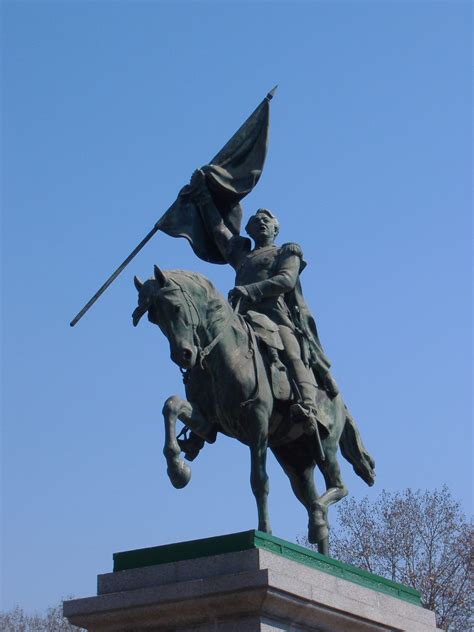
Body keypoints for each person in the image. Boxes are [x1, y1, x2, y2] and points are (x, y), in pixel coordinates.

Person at [190, 169, 338, 435]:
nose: (261, 223)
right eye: (256, 220)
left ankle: (309, 408)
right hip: (243, 320)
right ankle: (206, 417)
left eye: (266, 220)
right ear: (248, 229)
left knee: (291, 353)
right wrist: (202, 195)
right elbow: (217, 229)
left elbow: (286, 281)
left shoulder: (286, 251)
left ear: (275, 228)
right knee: (209, 353)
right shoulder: (242, 256)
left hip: (276, 318)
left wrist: (250, 291)